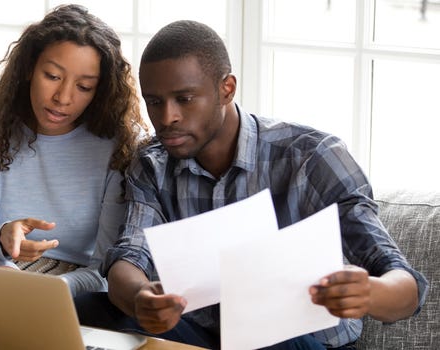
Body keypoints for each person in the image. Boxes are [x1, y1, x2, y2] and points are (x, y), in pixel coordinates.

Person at [76, 20, 428, 349]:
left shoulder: (312, 157)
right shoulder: (152, 162)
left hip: (295, 341)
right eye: (155, 102)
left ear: (226, 89)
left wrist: (370, 292)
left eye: (184, 99)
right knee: (84, 309)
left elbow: (405, 285)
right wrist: (141, 299)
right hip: (200, 335)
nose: (167, 118)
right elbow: (129, 255)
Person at [0, 4, 147, 297]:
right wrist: (2, 236)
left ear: (100, 91)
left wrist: (49, 291)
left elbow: (106, 270)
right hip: (0, 276)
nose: (63, 98)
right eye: (52, 76)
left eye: (84, 87)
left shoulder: (120, 142)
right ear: (29, 69)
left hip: (80, 290)